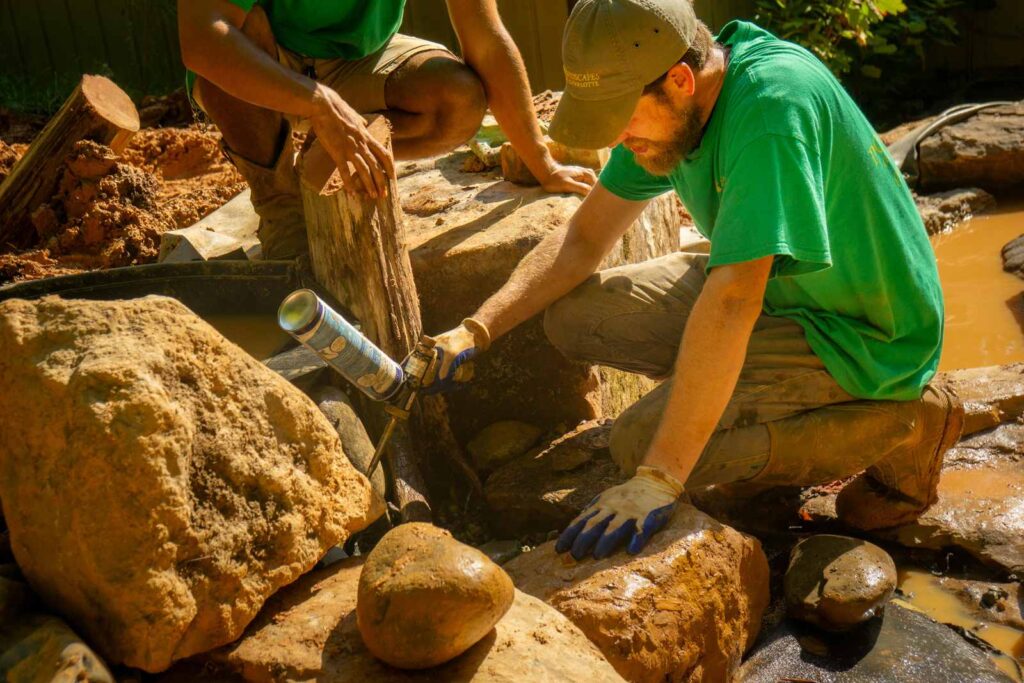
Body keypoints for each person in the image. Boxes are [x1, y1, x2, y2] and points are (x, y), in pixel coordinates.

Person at [426, 0, 964, 560]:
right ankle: (743, 404)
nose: (617, 137)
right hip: (782, 292)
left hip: (864, 335)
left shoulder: (771, 113)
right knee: (575, 317)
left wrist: (659, 477)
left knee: (640, 445)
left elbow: (733, 300)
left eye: (621, 116)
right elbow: (583, 239)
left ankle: (911, 419)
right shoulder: (667, 107)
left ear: (680, 80)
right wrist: (474, 329)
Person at [178, 0, 597, 259]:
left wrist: (539, 159)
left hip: (355, 61)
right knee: (235, 37)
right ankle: (282, 208)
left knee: (457, 99)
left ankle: (323, 161)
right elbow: (202, 40)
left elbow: (485, 37)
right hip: (266, 63)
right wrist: (316, 102)